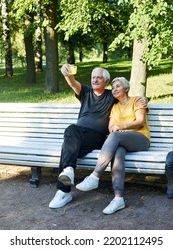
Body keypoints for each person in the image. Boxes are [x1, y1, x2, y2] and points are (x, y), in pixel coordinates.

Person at [49, 65, 147, 209]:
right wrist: (67, 74)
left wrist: (143, 99)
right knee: (69, 138)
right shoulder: (86, 92)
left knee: (68, 142)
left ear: (106, 81)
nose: (95, 80)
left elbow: (127, 98)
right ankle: (65, 184)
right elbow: (72, 83)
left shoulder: (111, 96)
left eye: (99, 77)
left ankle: (65, 188)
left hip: (97, 138)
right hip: (79, 136)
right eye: (93, 77)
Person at [76, 77, 150, 215]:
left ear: (126, 89)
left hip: (141, 139)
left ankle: (95, 175)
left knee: (115, 137)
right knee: (118, 153)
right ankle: (118, 198)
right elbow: (111, 127)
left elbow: (140, 121)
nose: (114, 89)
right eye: (113, 87)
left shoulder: (136, 100)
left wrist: (121, 127)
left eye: (118, 86)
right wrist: (116, 130)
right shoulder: (114, 107)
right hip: (122, 140)